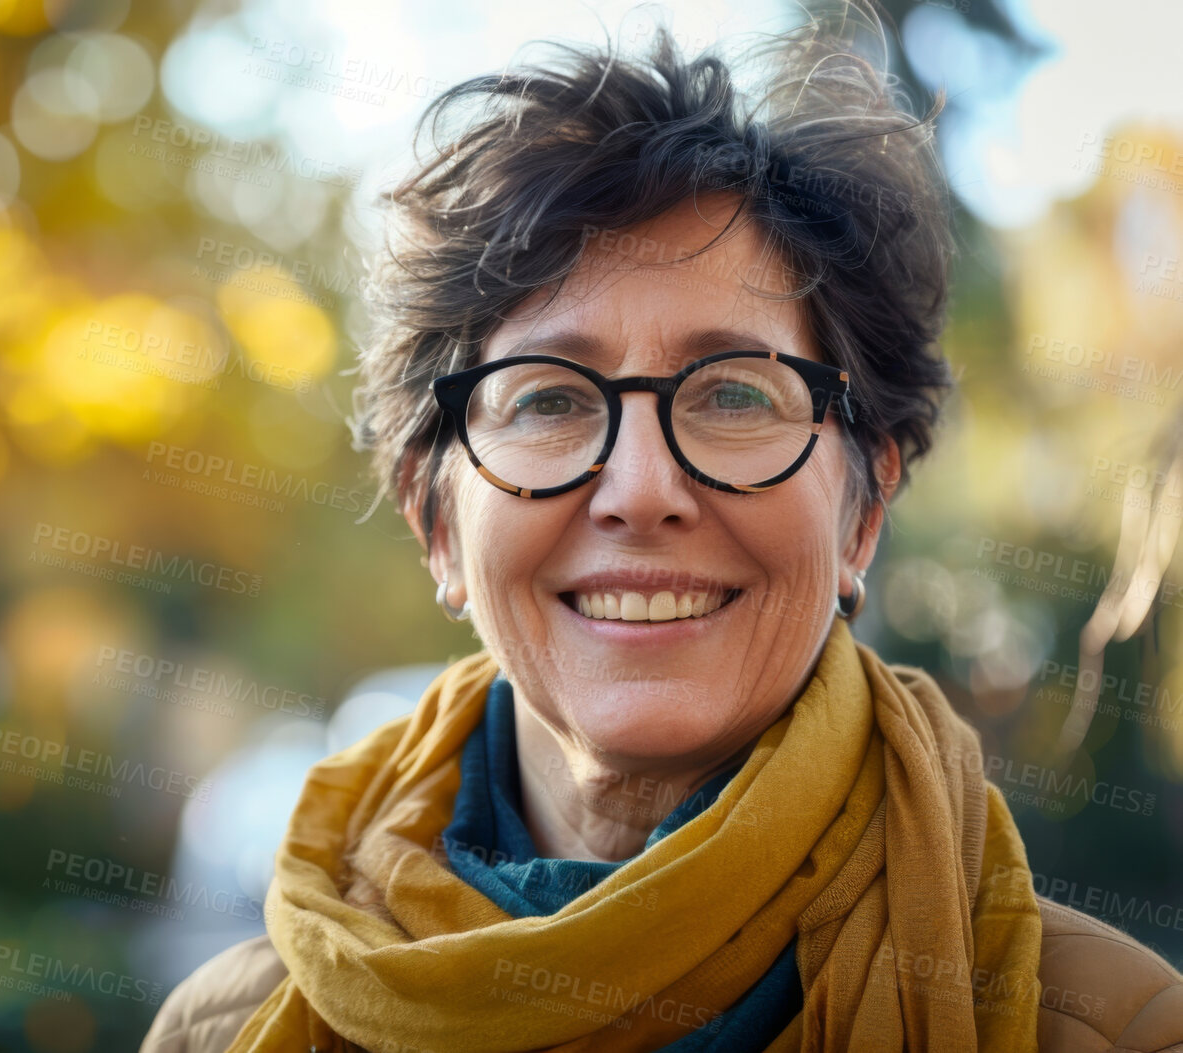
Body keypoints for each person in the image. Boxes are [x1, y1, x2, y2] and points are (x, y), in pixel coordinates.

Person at [141, 14, 1183, 1053]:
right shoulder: (226, 1030)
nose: (641, 491)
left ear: (863, 510)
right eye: (547, 400)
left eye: (734, 394)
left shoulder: (1108, 1026)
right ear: (435, 521)